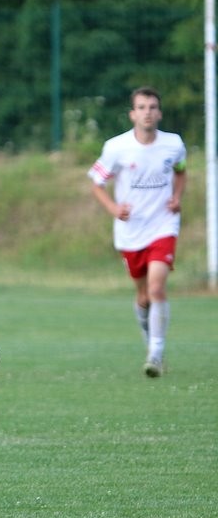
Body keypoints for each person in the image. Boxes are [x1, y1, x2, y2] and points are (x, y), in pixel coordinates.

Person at [89, 86, 187, 378]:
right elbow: (97, 183)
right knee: (143, 296)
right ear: (133, 114)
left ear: (160, 113)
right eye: (142, 107)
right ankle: (150, 342)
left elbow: (181, 170)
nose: (148, 112)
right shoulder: (116, 147)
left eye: (152, 107)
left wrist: (177, 197)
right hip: (130, 232)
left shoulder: (173, 144)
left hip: (163, 225)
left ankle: (155, 354)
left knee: (157, 288)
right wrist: (113, 208)